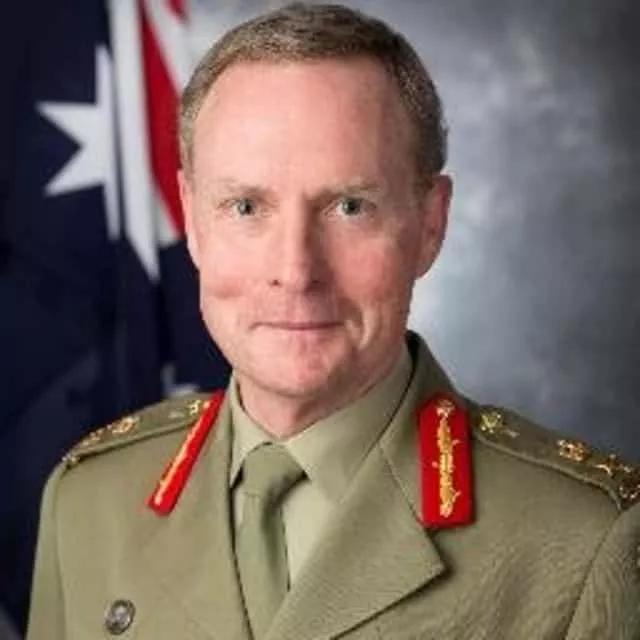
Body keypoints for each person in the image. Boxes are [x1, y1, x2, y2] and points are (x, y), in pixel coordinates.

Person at [26, 3, 640, 639]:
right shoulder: (89, 503)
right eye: (245, 207)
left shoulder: (586, 541)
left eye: (350, 206)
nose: (295, 271)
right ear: (192, 219)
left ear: (430, 224)